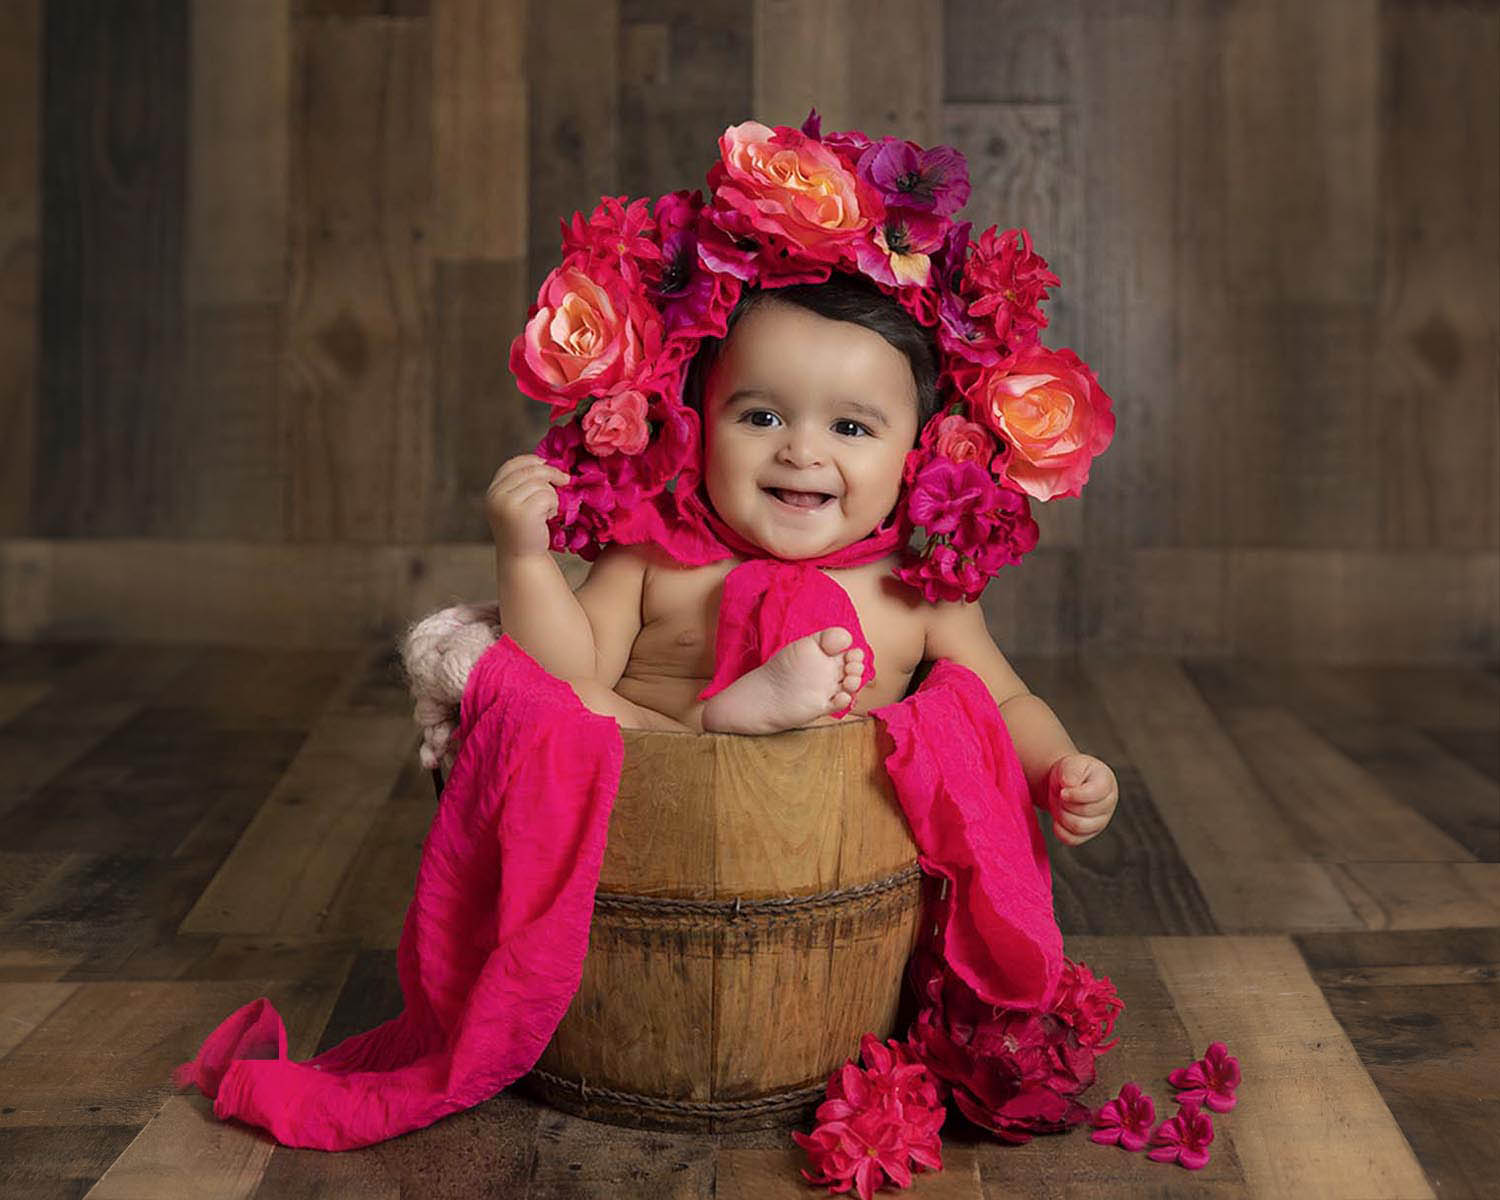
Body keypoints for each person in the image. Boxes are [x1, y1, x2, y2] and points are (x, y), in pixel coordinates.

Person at [486, 273, 1118, 847]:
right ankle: (715, 724)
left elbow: (1004, 705)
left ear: (917, 456)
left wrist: (1059, 768)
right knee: (562, 704)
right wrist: (524, 557)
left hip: (830, 846)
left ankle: (736, 722)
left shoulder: (918, 590)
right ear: (698, 424)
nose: (801, 451)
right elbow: (563, 675)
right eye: (762, 417)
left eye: (850, 428)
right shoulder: (655, 556)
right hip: (660, 822)